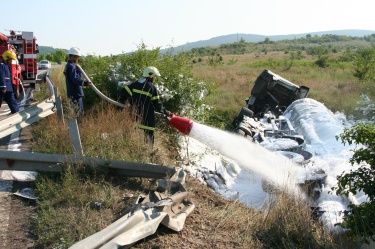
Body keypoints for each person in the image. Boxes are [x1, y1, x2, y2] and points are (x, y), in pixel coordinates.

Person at [119, 66, 172, 144]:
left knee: (131, 135)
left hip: (134, 115)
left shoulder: (135, 84)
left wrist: (125, 102)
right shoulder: (152, 87)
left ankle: (129, 148)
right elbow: (157, 104)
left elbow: (122, 92)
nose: (155, 78)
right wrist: (166, 112)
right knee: (148, 137)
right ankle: (148, 153)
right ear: (150, 76)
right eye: (154, 76)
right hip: (147, 117)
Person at [63, 47, 91, 119]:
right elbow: (75, 79)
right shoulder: (71, 66)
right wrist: (85, 83)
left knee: (76, 112)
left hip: (72, 93)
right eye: (77, 57)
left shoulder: (69, 65)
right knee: (79, 113)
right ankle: (78, 128)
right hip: (75, 94)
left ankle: (77, 127)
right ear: (73, 57)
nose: (78, 59)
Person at [0, 50, 19, 114]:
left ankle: (16, 114)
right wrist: (3, 87)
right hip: (3, 89)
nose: (11, 61)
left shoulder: (7, 65)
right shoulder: (2, 65)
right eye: (10, 59)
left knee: (13, 102)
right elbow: (2, 76)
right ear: (7, 58)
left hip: (9, 89)